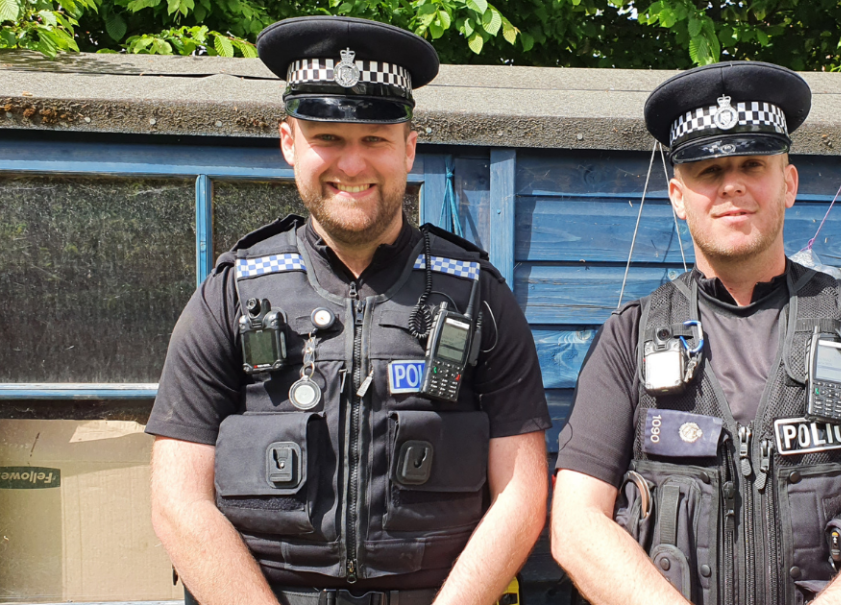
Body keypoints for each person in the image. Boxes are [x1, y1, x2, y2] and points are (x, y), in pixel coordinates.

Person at [147, 16, 551, 605]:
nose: (353, 165)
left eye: (375, 140)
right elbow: (178, 501)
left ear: (409, 147)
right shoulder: (230, 295)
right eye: (328, 139)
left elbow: (522, 491)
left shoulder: (478, 296)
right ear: (289, 143)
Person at [550, 61, 841, 605]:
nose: (732, 185)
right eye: (707, 170)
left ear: (787, 183)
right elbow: (575, 523)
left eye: (753, 164)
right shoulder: (630, 337)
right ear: (678, 196)